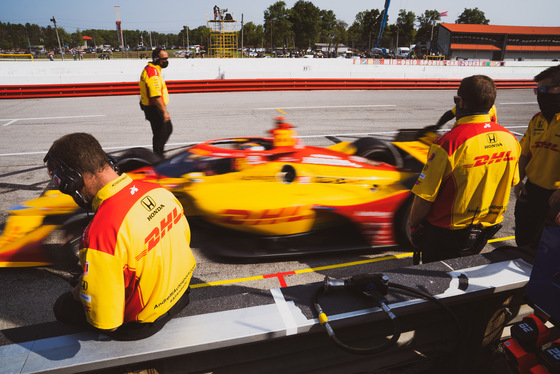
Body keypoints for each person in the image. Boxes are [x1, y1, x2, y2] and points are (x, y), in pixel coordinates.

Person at [46, 133, 196, 341]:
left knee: (63, 306)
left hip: (143, 323)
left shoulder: (101, 233)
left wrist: (79, 293)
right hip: (182, 295)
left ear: (74, 180)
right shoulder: (159, 191)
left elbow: (108, 323)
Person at [409, 75, 521, 263]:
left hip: (445, 234)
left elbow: (424, 197)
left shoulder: (449, 143)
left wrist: (413, 226)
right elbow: (512, 181)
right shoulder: (510, 139)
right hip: (484, 232)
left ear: (460, 102)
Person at [514, 65, 560, 250]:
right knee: (523, 239)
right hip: (532, 191)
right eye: (537, 91)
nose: (540, 95)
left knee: (548, 247)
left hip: (555, 197)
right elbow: (525, 153)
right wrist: (518, 181)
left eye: (543, 90)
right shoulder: (537, 120)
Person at [139, 47, 173, 157]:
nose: (166, 61)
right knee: (161, 133)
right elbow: (155, 96)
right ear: (157, 59)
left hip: (153, 107)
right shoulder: (152, 72)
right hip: (154, 108)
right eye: (164, 59)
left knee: (165, 130)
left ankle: (158, 155)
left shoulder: (153, 69)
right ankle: (157, 159)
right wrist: (164, 111)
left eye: (167, 58)